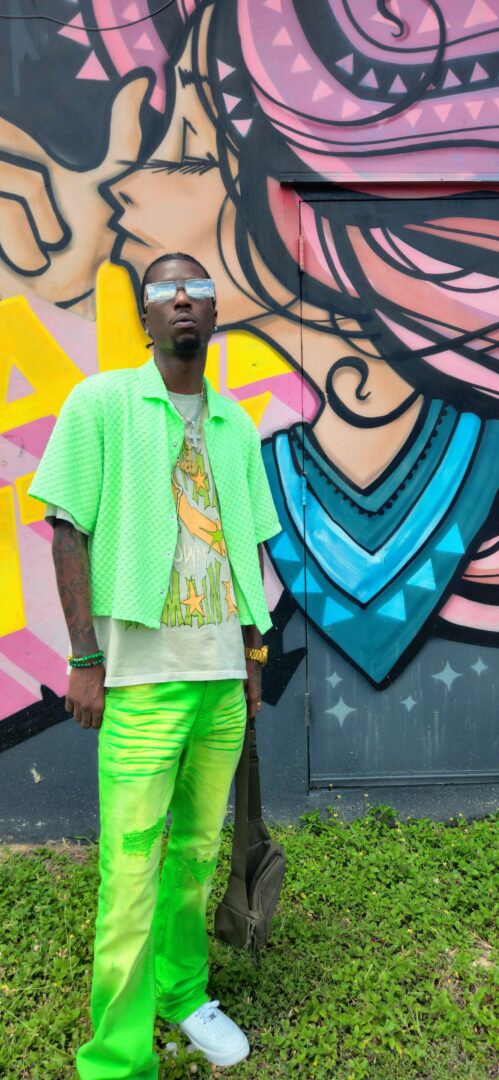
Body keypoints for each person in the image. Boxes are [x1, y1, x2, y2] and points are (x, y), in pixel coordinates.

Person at [29, 251, 282, 1078]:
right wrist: (85, 657)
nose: (180, 300)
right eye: (164, 291)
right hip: (138, 683)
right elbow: (67, 528)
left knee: (195, 858)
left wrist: (251, 655)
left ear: (214, 314)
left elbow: (246, 544)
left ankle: (182, 991)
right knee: (130, 872)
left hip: (220, 684)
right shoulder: (102, 403)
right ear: (144, 317)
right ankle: (116, 1059)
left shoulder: (233, 424)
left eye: (196, 289)